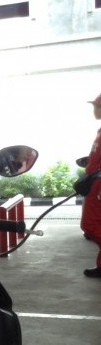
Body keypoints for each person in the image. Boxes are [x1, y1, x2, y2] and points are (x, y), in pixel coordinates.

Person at [80, 93, 101, 277]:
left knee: (89, 225)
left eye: (96, 106)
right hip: (94, 181)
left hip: (98, 186)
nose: (94, 110)